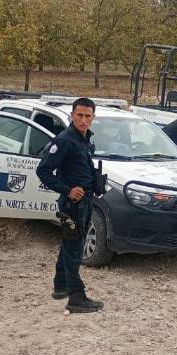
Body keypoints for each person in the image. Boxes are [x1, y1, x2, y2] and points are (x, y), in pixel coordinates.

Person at [36, 98, 104, 313]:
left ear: (93, 118)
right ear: (72, 115)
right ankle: (76, 297)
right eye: (80, 115)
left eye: (88, 116)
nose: (83, 120)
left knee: (70, 243)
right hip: (73, 204)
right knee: (75, 249)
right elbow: (43, 171)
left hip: (84, 202)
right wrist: (67, 190)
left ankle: (61, 285)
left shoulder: (84, 139)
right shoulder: (65, 140)